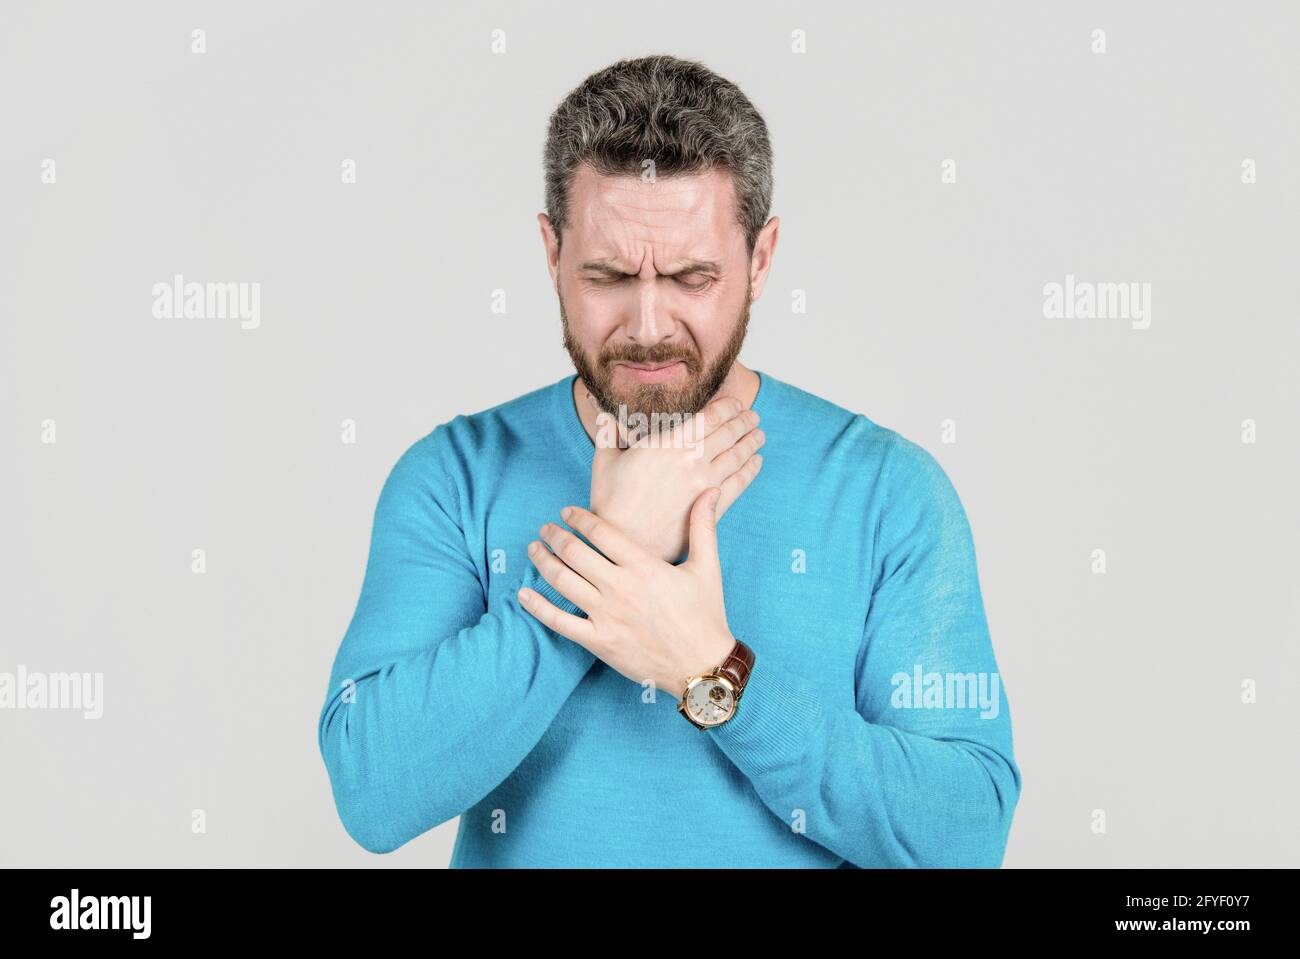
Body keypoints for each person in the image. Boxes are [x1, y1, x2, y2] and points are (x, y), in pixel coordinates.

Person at [317, 54, 1021, 867]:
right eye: (608, 275)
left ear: (761, 260)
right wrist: (607, 547)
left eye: (691, 277)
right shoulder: (453, 475)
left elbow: (964, 834)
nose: (648, 324)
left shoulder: (888, 492)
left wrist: (712, 672)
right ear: (551, 254)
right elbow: (372, 790)